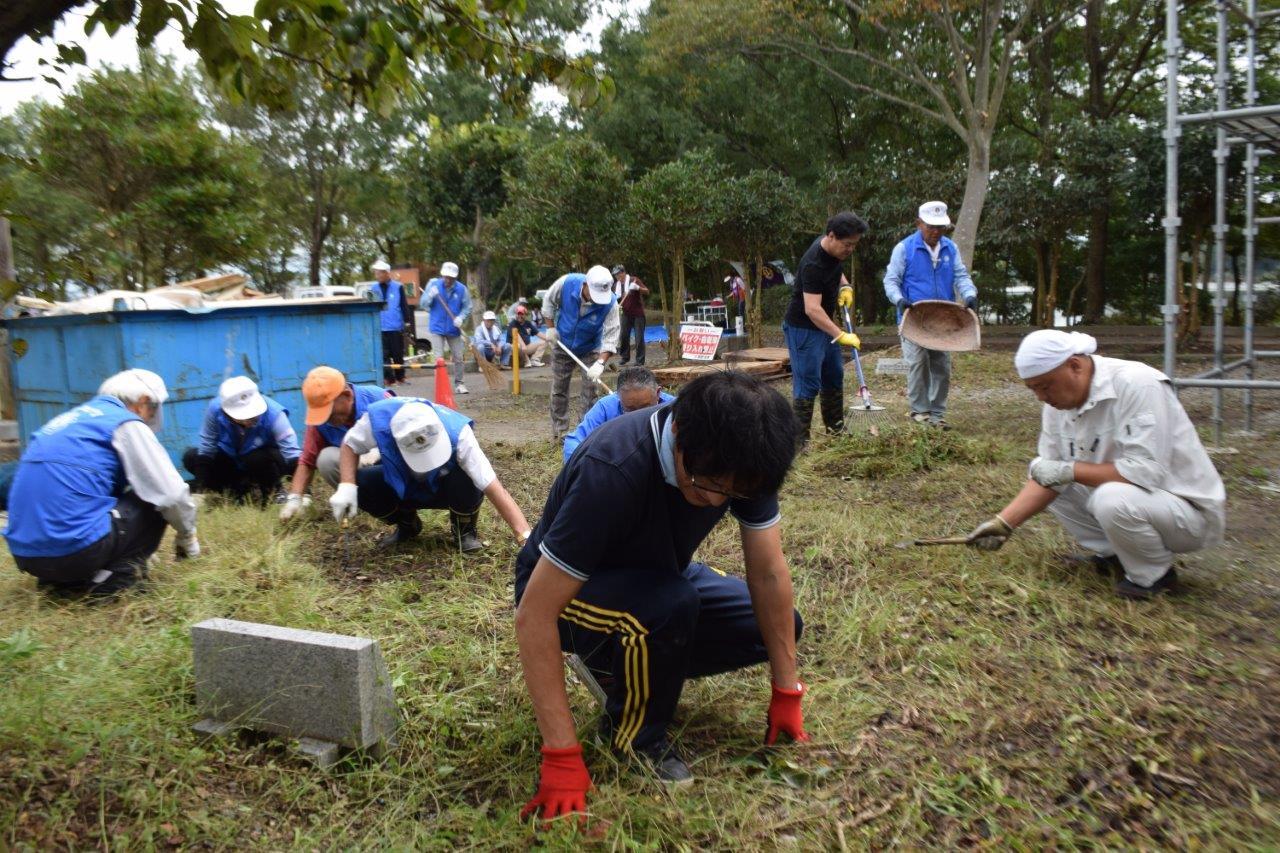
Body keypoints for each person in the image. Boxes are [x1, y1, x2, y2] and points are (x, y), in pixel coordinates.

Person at [514, 372, 807, 821]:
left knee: (771, 625)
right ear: (677, 435)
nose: (713, 500)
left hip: (659, 572)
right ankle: (637, 743)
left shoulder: (743, 463)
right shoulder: (612, 467)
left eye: (730, 492)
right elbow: (534, 613)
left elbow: (768, 574)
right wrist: (561, 755)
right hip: (563, 590)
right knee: (668, 607)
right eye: (704, 481)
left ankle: (622, 664)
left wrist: (787, 690)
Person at [964, 330, 1226, 600]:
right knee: (1043, 471)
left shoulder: (1137, 383)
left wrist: (1069, 471)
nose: (1041, 397)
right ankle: (1116, 556)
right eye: (1033, 389)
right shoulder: (1058, 404)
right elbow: (1049, 472)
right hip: (1137, 501)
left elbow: (1145, 471)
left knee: (1108, 497)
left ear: (1075, 366)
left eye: (1044, 386)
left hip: (1187, 512)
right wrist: (1003, 523)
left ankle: (1154, 576)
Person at [3, 369, 199, 597]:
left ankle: (59, 582)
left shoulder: (67, 422)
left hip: (26, 554)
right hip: (74, 553)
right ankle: (113, 581)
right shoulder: (123, 423)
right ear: (143, 402)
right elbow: (171, 494)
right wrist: (187, 538)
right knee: (151, 497)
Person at [327, 397, 532, 553]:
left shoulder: (458, 434)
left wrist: (524, 536)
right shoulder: (377, 421)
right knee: (362, 482)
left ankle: (464, 530)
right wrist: (347, 486)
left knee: (469, 475)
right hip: (403, 482)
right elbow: (350, 444)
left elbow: (494, 487)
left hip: (446, 486)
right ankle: (407, 524)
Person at [882, 201, 978, 429]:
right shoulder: (904, 249)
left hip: (942, 320)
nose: (936, 232)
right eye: (930, 227)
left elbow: (961, 276)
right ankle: (920, 412)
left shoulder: (950, 248)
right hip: (913, 318)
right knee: (916, 363)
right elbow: (891, 280)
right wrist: (899, 300)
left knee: (941, 367)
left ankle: (937, 414)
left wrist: (970, 294)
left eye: (940, 228)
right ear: (919, 224)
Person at [782, 211, 868, 444]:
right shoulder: (813, 263)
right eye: (847, 244)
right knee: (808, 383)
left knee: (834, 375)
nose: (850, 250)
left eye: (854, 245)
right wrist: (840, 335)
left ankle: (835, 430)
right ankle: (800, 443)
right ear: (831, 236)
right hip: (803, 329)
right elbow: (812, 309)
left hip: (822, 327)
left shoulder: (832, 250)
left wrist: (845, 286)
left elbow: (836, 271)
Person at [279, 366, 393, 521]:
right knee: (326, 459)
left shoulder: (378, 398)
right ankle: (367, 505)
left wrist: (379, 450)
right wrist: (294, 499)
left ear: (347, 395)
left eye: (330, 413)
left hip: (390, 465)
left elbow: (405, 435)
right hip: (356, 469)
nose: (326, 420)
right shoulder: (320, 422)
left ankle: (403, 506)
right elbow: (307, 461)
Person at [182, 376, 300, 505]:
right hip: (233, 459)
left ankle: (274, 492)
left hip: (267, 460)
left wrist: (302, 495)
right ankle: (236, 491)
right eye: (243, 417)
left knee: (256, 458)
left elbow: (292, 455)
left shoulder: (275, 414)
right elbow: (207, 448)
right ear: (227, 413)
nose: (249, 419)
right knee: (192, 457)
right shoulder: (215, 409)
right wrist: (200, 490)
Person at [544, 265, 620, 439]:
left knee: (590, 390)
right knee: (559, 388)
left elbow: (611, 336)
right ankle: (560, 432)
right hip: (562, 343)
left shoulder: (611, 302)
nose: (596, 300)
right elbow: (549, 302)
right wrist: (550, 329)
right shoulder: (566, 283)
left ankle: (585, 433)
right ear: (585, 284)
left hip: (590, 347)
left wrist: (600, 363)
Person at [562, 365, 674, 462]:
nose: (638, 416)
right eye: (630, 410)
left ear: (658, 393)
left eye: (646, 408)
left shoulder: (673, 408)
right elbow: (575, 441)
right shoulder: (606, 407)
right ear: (618, 396)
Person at [423, 261, 472, 395]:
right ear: (442, 275)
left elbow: (467, 306)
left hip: (453, 327)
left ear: (455, 277)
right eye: (446, 277)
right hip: (437, 326)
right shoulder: (433, 285)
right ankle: (441, 386)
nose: (448, 280)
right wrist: (429, 296)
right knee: (439, 358)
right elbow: (423, 304)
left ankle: (460, 384)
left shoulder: (462, 289)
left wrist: (461, 317)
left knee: (458, 357)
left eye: (451, 278)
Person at [372, 260, 413, 387]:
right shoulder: (373, 288)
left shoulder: (398, 286)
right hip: (380, 326)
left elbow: (404, 305)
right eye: (376, 273)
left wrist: (407, 321)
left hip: (395, 325)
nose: (377, 275)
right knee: (383, 354)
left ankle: (401, 377)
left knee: (397, 353)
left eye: (379, 273)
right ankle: (389, 379)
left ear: (386, 273)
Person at [612, 264, 650, 366]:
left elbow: (647, 291)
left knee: (639, 337)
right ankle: (625, 357)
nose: (617, 277)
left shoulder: (634, 280)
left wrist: (638, 288)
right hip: (625, 314)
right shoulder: (617, 286)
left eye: (618, 274)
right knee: (623, 336)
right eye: (615, 275)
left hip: (638, 314)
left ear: (623, 272)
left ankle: (640, 360)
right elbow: (615, 300)